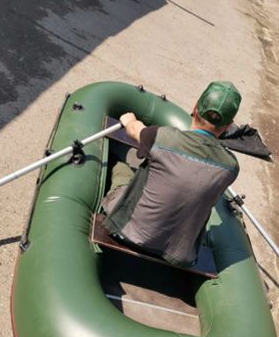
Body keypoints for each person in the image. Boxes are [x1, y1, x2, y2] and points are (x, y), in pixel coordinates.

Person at [102, 81, 241, 268]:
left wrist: (129, 120)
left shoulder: (160, 136)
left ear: (195, 108)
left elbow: (134, 130)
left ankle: (114, 161)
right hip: (180, 254)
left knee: (121, 170)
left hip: (127, 233)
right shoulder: (231, 167)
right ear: (228, 125)